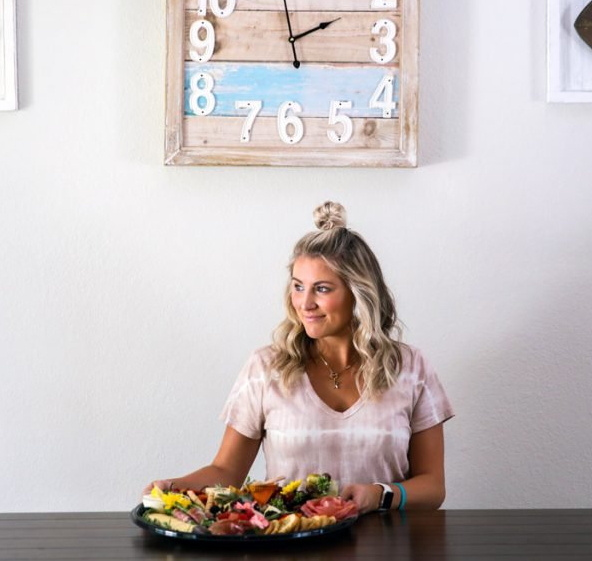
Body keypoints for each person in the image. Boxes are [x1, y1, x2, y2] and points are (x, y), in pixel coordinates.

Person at [146, 202, 453, 513]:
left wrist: (380, 494)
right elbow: (227, 472)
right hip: (289, 539)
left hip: (384, 540)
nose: (305, 303)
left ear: (358, 293)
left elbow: (433, 487)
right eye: (298, 287)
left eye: (322, 289)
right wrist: (174, 486)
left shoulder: (411, 368)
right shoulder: (265, 368)